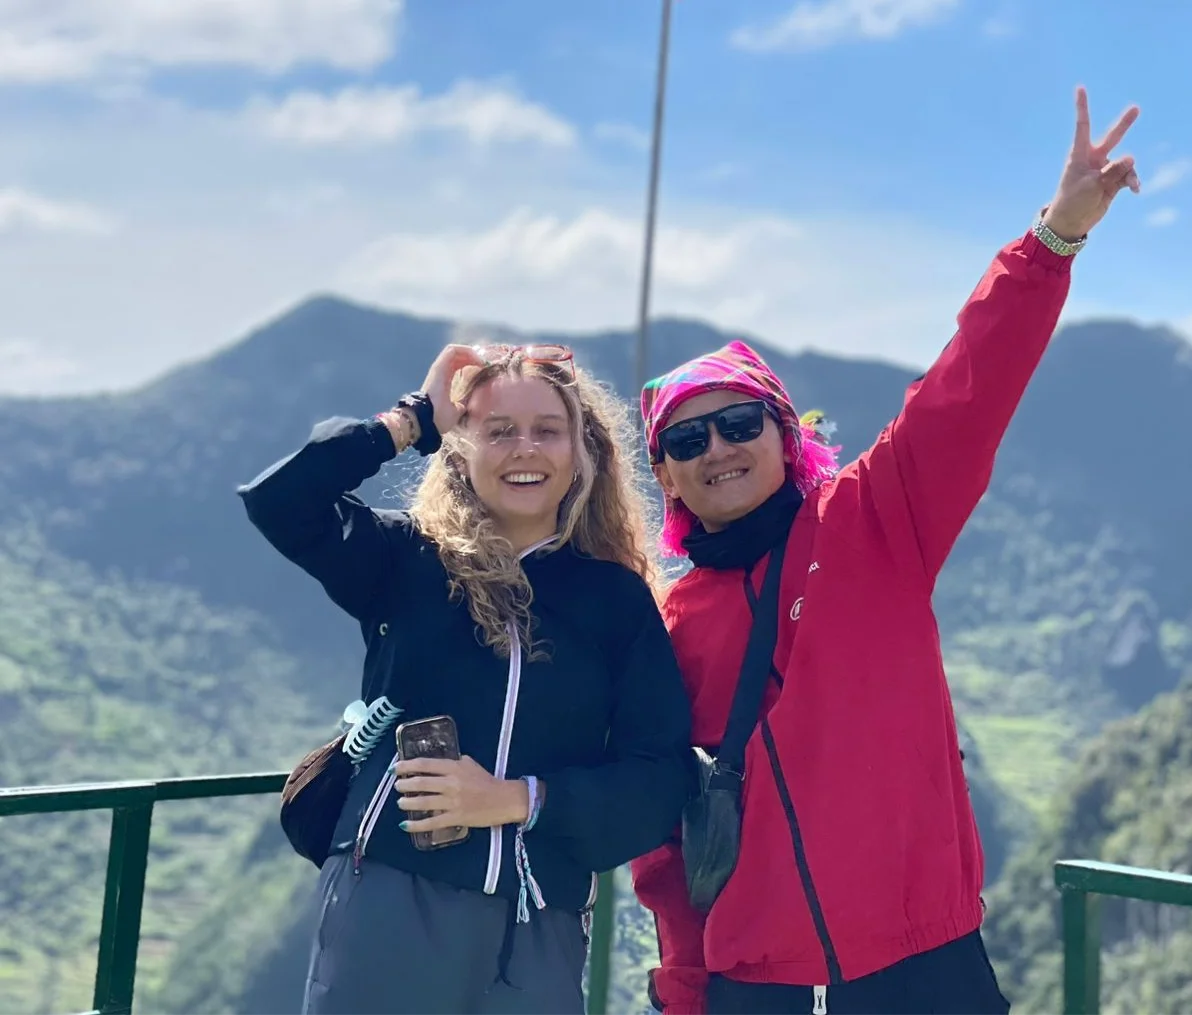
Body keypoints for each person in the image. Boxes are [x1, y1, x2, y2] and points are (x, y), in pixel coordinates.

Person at [629, 86, 1140, 1015]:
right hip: (755, 986)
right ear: (664, 473)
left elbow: (965, 390)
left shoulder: (875, 521)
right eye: (688, 439)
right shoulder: (674, 624)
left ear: (786, 433)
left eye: (740, 423)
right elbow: (670, 841)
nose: (718, 449)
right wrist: (686, 991)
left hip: (925, 963)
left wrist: (1053, 239)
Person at [238, 342, 694, 1014]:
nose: (524, 449)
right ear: (460, 448)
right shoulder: (402, 560)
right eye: (498, 430)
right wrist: (411, 420)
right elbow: (280, 500)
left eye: (547, 430)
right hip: (389, 902)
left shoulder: (616, 600)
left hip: (538, 924)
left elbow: (658, 777)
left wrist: (519, 799)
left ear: (581, 452)